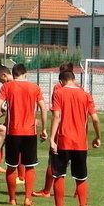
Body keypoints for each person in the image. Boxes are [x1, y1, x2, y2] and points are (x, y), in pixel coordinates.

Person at [0, 63, 48, 206]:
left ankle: (12, 199)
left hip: (13, 131)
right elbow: (43, 108)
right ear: (25, 73)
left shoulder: (7, 87)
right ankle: (28, 199)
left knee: (11, 166)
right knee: (30, 166)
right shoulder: (35, 88)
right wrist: (44, 129)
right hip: (29, 132)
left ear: (13, 73)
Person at [48, 70, 101, 206]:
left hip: (62, 141)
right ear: (74, 79)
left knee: (59, 175)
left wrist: (52, 139)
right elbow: (95, 119)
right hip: (80, 143)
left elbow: (56, 116)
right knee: (81, 177)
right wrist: (97, 137)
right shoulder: (85, 95)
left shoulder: (59, 93)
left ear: (61, 81)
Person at [34, 61, 76, 198]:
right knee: (77, 160)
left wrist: (51, 134)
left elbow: (56, 112)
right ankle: (78, 190)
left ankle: (46, 190)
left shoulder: (58, 89)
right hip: (77, 131)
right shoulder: (80, 89)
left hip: (61, 130)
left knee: (53, 161)